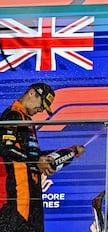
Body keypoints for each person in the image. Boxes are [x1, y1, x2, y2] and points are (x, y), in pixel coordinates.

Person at [0, 83, 86, 232]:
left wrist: (70, 152)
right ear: (32, 93)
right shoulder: (12, 115)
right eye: (41, 105)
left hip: (32, 194)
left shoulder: (26, 121)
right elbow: (5, 148)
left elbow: (35, 155)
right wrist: (35, 161)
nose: (40, 110)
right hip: (16, 195)